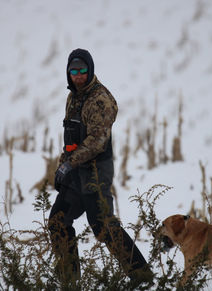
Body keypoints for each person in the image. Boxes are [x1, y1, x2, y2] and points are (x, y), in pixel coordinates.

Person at [48, 48, 152, 288]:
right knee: (57, 221)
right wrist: (62, 167)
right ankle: (69, 280)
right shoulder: (74, 96)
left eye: (83, 70)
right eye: (73, 70)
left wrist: (69, 165)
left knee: (103, 226)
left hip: (96, 172)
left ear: (90, 70)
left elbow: (96, 142)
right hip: (75, 173)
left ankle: (143, 277)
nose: (78, 75)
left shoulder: (101, 99)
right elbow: (71, 139)